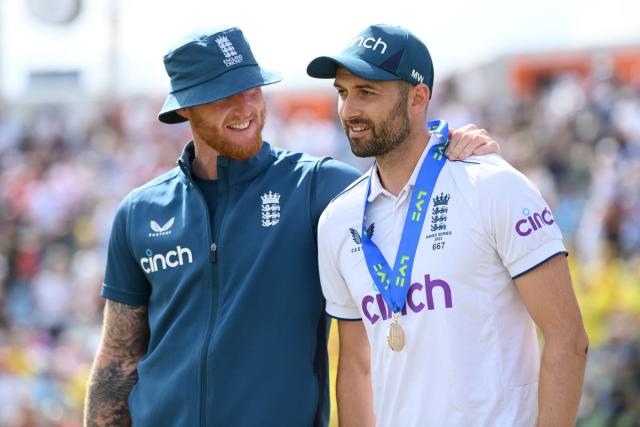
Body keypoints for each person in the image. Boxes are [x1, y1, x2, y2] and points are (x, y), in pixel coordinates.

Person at [83, 26, 500, 427]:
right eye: (222, 97)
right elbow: (117, 360)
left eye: (251, 89)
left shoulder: (318, 186)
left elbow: (407, 191)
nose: (245, 107)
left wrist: (453, 153)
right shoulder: (138, 212)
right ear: (185, 107)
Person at [309, 24, 589, 427]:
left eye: (367, 93)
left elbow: (568, 339)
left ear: (417, 98)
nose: (349, 110)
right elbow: (357, 366)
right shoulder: (338, 221)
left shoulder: (492, 185)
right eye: (342, 92)